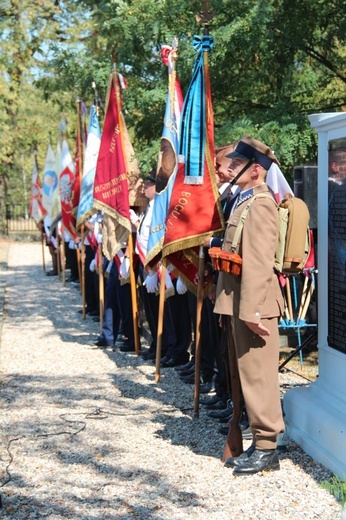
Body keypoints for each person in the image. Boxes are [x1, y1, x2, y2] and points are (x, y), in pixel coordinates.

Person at [213, 135, 285, 475]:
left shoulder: (260, 204)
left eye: (238, 164)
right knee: (247, 375)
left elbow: (258, 262)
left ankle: (267, 447)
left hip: (255, 305)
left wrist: (253, 312)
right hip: (240, 301)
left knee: (259, 377)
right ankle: (259, 441)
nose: (230, 168)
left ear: (256, 170)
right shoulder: (244, 200)